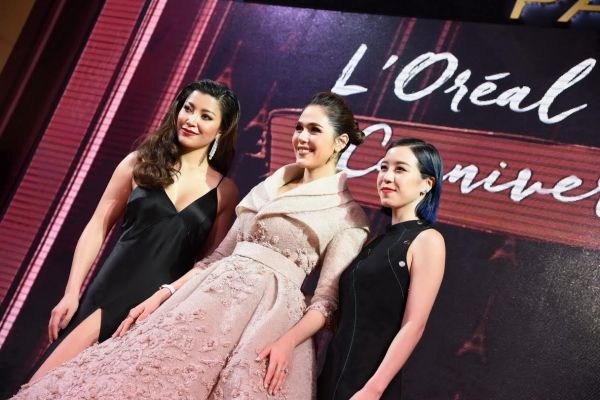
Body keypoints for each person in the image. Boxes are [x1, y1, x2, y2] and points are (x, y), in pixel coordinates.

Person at [13, 92, 370, 399]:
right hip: (202, 303)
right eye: (299, 128)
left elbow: (326, 302)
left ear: (340, 142)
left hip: (267, 322)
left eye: (314, 130)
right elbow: (216, 257)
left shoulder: (348, 216)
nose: (302, 137)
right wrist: (163, 294)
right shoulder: (267, 187)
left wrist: (288, 341)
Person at [27, 79, 241, 382]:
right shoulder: (139, 163)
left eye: (206, 116)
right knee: (44, 384)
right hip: (108, 292)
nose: (191, 120)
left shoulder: (224, 191)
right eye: (188, 109)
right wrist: (71, 292)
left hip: (156, 312)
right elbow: (98, 225)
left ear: (221, 130)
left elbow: (207, 266)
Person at [318, 138, 446, 400]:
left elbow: (414, 324)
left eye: (400, 169)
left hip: (369, 387)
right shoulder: (375, 241)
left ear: (427, 183)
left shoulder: (428, 240)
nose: (386, 177)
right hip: (331, 375)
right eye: (383, 167)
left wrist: (373, 390)